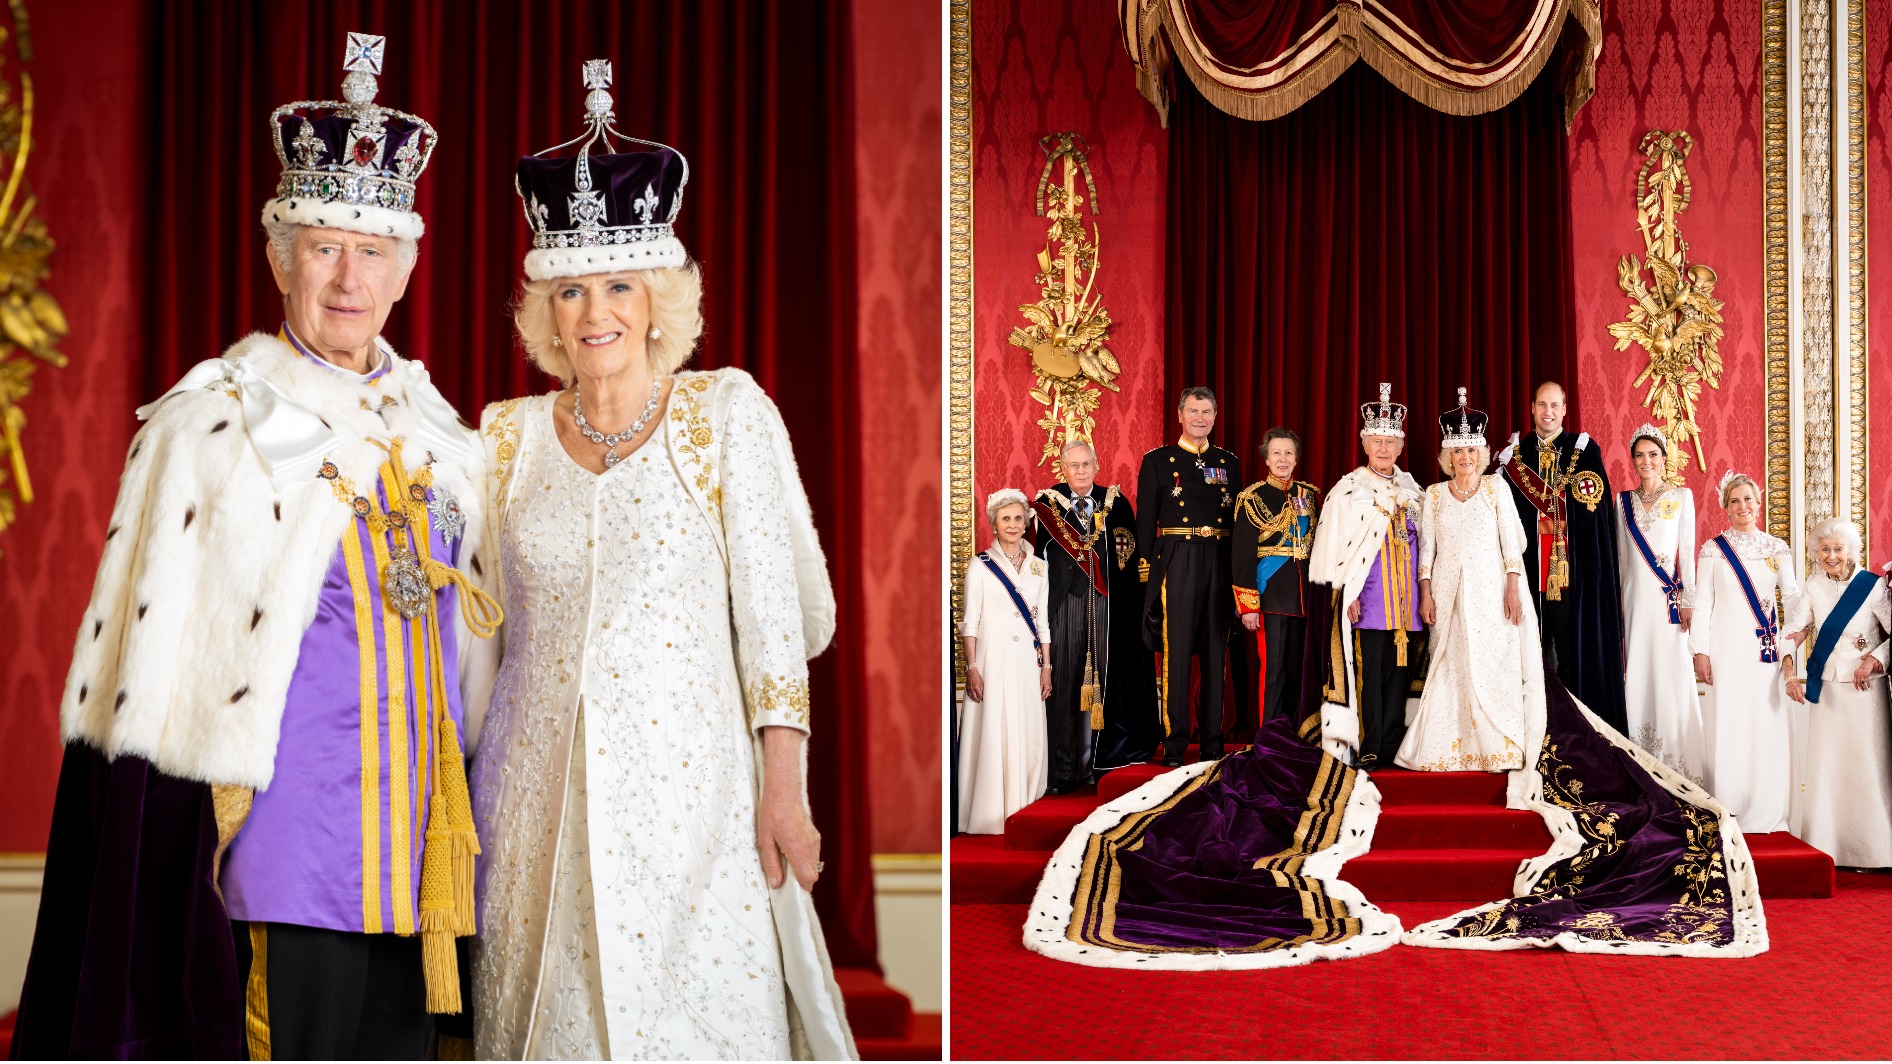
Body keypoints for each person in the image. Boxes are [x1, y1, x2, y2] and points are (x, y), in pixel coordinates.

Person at [11, 34, 503, 1058]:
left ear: (405, 269)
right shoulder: (215, 424)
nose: (346, 275)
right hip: (279, 857)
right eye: (322, 245)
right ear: (278, 255)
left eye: (371, 251)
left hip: (415, 865)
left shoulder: (443, 439)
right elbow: (143, 692)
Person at [468, 63, 852, 1060]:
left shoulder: (724, 415)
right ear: (545, 307)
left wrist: (784, 787)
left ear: (656, 299)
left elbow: (775, 622)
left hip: (695, 807)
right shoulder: (500, 440)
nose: (593, 308)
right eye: (569, 287)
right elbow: (474, 635)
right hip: (529, 809)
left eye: (617, 284)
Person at [1398, 390, 1535, 772]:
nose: (1465, 458)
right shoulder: (1435, 495)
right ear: (1447, 457)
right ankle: (1447, 750)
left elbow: (1513, 545)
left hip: (1491, 594)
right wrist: (1424, 593)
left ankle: (1497, 747)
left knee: (1492, 663)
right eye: (1458, 451)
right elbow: (1426, 552)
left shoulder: (1496, 489)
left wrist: (1512, 588)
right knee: (1450, 666)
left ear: (1482, 453)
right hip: (1446, 594)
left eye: (1471, 450)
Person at [1496, 381, 1628, 732]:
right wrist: (1535, 526)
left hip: (1573, 576)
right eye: (1542, 405)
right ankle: (1533, 730)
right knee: (1530, 658)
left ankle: (1574, 731)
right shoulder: (1515, 458)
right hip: (1528, 575)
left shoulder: (1583, 451)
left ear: (1564, 409)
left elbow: (1595, 512)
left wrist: (1562, 522)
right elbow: (1503, 518)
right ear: (1533, 408)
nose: (1548, 412)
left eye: (1555, 405)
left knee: (1572, 657)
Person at [1310, 383, 1427, 769]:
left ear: (1400, 446)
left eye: (1390, 442)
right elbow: (1335, 550)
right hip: (1370, 601)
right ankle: (1370, 744)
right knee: (1369, 677)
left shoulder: (1414, 490)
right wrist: (1347, 593)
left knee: (1399, 677)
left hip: (1406, 604)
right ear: (1364, 445)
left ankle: (1394, 743)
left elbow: (1429, 547)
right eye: (1376, 441)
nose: (1383, 449)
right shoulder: (1349, 490)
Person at [1689, 472, 1808, 835]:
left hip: (1764, 653)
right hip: (1726, 651)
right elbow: (1704, 601)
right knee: (1730, 725)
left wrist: (1790, 639)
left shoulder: (1777, 548)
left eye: (1748, 499)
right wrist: (1701, 651)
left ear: (1759, 503)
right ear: (1726, 507)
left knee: (1764, 727)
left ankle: (1768, 810)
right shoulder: (1712, 548)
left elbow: (1792, 597)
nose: (1743, 506)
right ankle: (1730, 808)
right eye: (1735, 500)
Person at [1136, 386, 1241, 766]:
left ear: (1214, 417)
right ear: (1180, 415)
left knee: (1216, 650)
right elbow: (1145, 525)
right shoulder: (1158, 462)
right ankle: (1176, 743)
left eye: (1207, 412)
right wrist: (1148, 574)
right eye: (1193, 411)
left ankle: (1213, 742)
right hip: (1177, 558)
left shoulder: (1228, 463)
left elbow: (1237, 524)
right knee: (1176, 651)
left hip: (1218, 557)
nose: (1200, 418)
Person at [1787, 518, 1892, 867]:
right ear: (1816, 553)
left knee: (1867, 766)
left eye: (1838, 548)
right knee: (1829, 769)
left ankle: (1877, 851)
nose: (1832, 555)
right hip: (1830, 687)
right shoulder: (1813, 584)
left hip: (1866, 689)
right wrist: (1786, 659)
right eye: (1825, 549)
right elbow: (1796, 627)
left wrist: (1875, 660)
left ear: (1851, 550)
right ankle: (1829, 848)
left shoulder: (1873, 586)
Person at [1031, 439, 1135, 792]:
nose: (1079, 471)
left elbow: (1127, 555)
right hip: (1064, 604)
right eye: (1073, 465)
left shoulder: (1115, 503)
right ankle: (1062, 770)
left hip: (1104, 603)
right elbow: (1036, 559)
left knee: (1102, 683)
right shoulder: (1047, 504)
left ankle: (1098, 765)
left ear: (1096, 466)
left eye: (1085, 464)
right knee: (1063, 686)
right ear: (1063, 467)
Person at [957, 488, 1052, 832]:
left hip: (1028, 664)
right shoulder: (980, 565)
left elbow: (1042, 622)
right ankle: (989, 813)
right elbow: (970, 621)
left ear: (1026, 522)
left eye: (1018, 518)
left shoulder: (1040, 568)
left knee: (1026, 729)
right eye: (1005, 519)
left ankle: (1024, 809)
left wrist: (1047, 667)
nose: (1013, 525)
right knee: (995, 729)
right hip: (992, 660)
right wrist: (973, 668)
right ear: (994, 524)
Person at [1615, 424, 1705, 781]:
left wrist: (1689, 601)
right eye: (1640, 455)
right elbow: (1622, 559)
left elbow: (1688, 556)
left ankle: (1678, 767)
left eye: (1653, 455)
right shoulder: (1622, 502)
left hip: (1669, 607)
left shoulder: (1681, 497)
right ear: (1633, 461)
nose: (1646, 461)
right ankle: (1639, 763)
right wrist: (1620, 606)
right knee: (1637, 671)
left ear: (1664, 459)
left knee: (1671, 676)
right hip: (1635, 603)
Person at [1232, 427, 1322, 726]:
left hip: (1303, 597)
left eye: (1288, 453)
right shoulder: (1251, 497)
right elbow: (1242, 555)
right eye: (1276, 453)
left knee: (1299, 670)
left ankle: (1297, 731)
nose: (1282, 459)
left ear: (1296, 459)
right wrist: (1248, 605)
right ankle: (1269, 736)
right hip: (1269, 596)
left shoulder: (1307, 496)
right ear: (1266, 459)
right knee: (1273, 672)